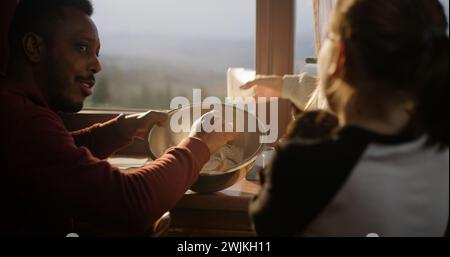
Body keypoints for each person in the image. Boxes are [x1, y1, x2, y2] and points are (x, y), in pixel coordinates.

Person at [0, 0, 234, 236]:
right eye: (81, 47)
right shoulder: (22, 120)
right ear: (33, 47)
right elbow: (131, 203)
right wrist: (199, 144)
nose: (97, 65)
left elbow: (57, 158)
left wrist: (119, 131)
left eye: (97, 53)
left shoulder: (19, 111)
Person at [249, 0, 449, 236]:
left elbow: (265, 224)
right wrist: (288, 87)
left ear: (339, 56)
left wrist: (298, 137)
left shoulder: (305, 167)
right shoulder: (438, 148)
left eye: (329, 38)